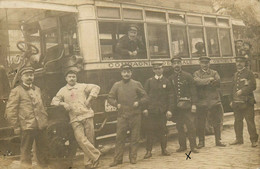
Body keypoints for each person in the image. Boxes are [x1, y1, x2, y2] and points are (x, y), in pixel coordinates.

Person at [51, 69, 101, 169]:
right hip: (75, 118)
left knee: (90, 140)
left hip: (87, 115)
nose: (72, 78)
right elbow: (54, 101)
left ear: (76, 78)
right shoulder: (63, 90)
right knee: (81, 140)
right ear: (66, 79)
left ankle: (88, 163)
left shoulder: (82, 86)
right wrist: (63, 103)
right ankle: (96, 155)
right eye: (69, 77)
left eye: (73, 76)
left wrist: (89, 99)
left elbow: (96, 87)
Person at [5, 66, 48, 169]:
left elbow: (42, 106)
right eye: (27, 75)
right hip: (27, 126)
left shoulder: (37, 89)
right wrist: (16, 126)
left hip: (40, 125)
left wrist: (44, 119)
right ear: (21, 77)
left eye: (31, 75)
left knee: (42, 150)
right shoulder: (17, 91)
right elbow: (11, 110)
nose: (29, 77)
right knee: (25, 152)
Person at [108, 64, 148, 167]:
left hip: (135, 115)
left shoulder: (136, 84)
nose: (126, 74)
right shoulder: (116, 85)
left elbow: (145, 97)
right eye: (124, 72)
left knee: (134, 138)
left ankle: (133, 158)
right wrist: (116, 104)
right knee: (119, 138)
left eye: (128, 72)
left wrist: (138, 102)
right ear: (121, 73)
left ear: (131, 73)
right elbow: (110, 98)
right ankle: (117, 159)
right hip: (122, 116)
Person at [142, 61, 173, 159]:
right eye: (156, 69)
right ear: (153, 70)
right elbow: (144, 96)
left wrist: (169, 110)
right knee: (150, 131)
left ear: (162, 69)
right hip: (151, 111)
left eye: (159, 68)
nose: (158, 70)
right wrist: (145, 109)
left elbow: (170, 96)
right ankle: (148, 151)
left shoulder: (166, 81)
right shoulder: (149, 81)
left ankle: (164, 149)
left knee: (163, 130)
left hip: (162, 111)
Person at [193, 56, 226, 148]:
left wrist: (203, 82)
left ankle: (218, 141)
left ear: (209, 64)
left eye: (206, 63)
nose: (204, 65)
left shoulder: (214, 72)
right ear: (200, 64)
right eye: (203, 63)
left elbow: (217, 82)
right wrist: (209, 80)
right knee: (201, 123)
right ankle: (201, 142)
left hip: (213, 101)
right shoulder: (196, 73)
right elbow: (196, 82)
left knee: (217, 121)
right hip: (202, 102)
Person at [168, 57, 199, 153]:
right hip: (178, 108)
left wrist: (194, 104)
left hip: (187, 106)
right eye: (174, 63)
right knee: (179, 126)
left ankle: (193, 146)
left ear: (181, 64)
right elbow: (171, 94)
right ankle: (182, 146)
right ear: (172, 65)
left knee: (191, 126)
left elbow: (193, 91)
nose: (176, 65)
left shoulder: (188, 76)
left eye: (178, 63)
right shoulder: (171, 78)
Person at [229, 55, 258, 147]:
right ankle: (239, 139)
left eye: (241, 62)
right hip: (237, 102)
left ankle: (254, 140)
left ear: (245, 63)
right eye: (237, 62)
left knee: (250, 121)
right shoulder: (235, 75)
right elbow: (232, 88)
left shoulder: (249, 73)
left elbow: (253, 86)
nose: (239, 64)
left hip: (247, 102)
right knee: (237, 121)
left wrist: (242, 91)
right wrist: (231, 100)